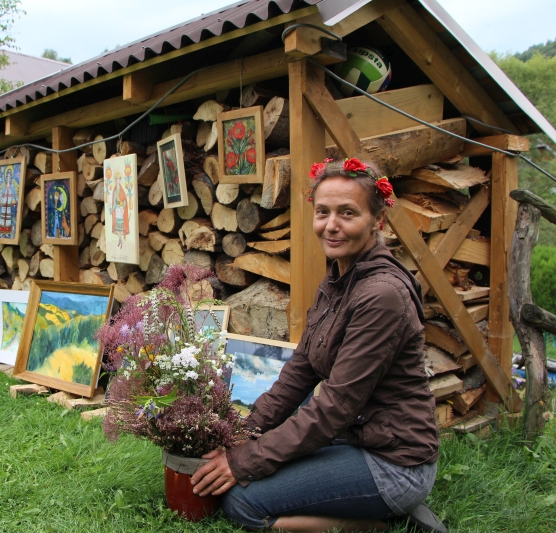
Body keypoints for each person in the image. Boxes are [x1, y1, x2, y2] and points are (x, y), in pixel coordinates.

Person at [190, 158, 445, 533]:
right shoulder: (339, 277)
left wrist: (244, 462)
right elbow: (302, 368)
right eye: (323, 212)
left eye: (348, 213)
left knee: (241, 500)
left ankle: (376, 524)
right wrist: (244, 436)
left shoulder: (382, 295)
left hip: (394, 462)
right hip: (358, 435)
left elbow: (334, 407)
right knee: (278, 437)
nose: (331, 225)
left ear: (378, 221)